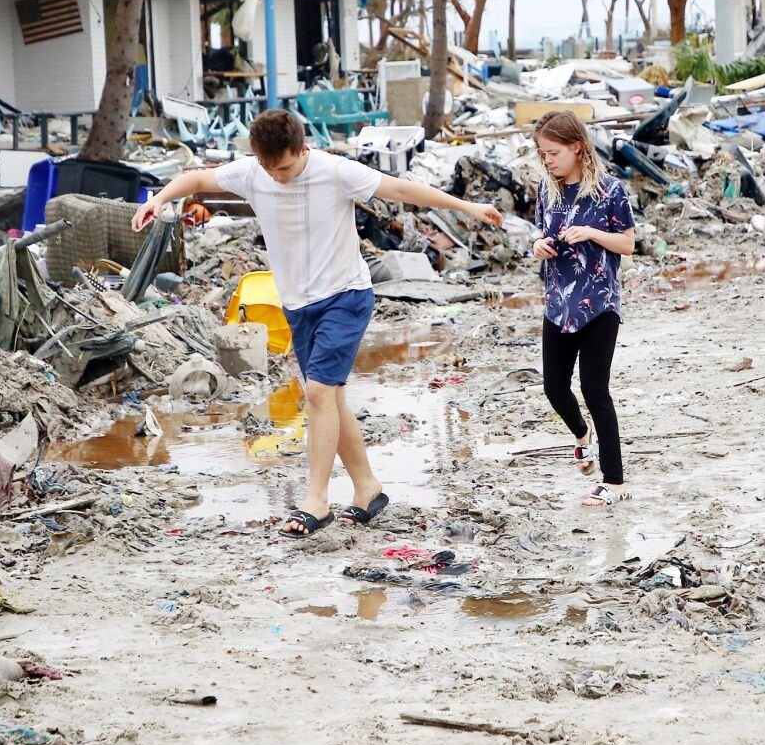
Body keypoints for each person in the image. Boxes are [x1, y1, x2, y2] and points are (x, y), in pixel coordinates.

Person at [133, 110, 504, 538]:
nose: (278, 176)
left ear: (302, 149)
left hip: (345, 296)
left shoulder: (335, 170)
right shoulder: (254, 172)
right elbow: (196, 179)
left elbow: (401, 188)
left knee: (319, 392)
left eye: (286, 167)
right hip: (297, 304)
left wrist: (468, 206)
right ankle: (368, 488)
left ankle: (317, 500)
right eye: (269, 168)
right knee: (330, 398)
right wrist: (157, 200)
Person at [529, 110, 637, 506]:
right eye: (542, 154)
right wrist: (538, 244)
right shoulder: (547, 190)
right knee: (554, 387)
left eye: (554, 152)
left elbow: (627, 244)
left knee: (595, 389)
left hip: (599, 303)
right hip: (558, 303)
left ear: (577, 147)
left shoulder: (610, 191)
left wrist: (591, 232)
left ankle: (615, 482)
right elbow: (540, 233)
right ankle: (580, 435)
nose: (548, 160)